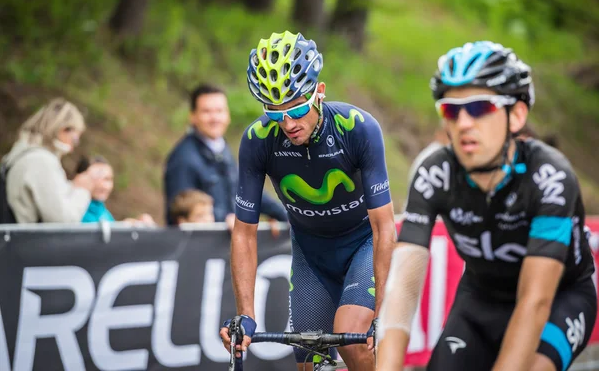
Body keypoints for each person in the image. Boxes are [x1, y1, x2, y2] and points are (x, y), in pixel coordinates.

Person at [377, 41, 597, 371]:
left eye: (480, 107)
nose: (464, 122)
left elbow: (535, 301)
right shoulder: (434, 173)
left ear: (517, 114)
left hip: (559, 299)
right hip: (480, 297)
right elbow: (401, 294)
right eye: (451, 110)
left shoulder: (549, 177)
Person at [219, 31, 397, 371]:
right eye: (274, 112)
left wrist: (383, 309)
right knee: (309, 364)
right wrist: (245, 313)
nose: (288, 123)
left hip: (363, 246)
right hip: (311, 256)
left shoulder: (357, 128)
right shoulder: (258, 140)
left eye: (297, 108)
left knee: (350, 338)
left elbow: (384, 225)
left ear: (319, 92)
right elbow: (243, 233)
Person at [164, 84, 288, 232]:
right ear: (193, 117)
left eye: (219, 111)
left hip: (228, 245)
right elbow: (179, 213)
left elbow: (248, 191)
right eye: (206, 111)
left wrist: (285, 216)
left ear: (227, 115)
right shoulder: (183, 159)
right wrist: (227, 219)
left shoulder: (223, 151)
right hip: (203, 250)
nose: (214, 118)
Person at [1, 98, 100, 223]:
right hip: (28, 241)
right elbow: (63, 221)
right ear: (63, 129)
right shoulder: (41, 161)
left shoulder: (22, 154)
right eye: (75, 138)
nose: (74, 146)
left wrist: (71, 187)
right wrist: (82, 190)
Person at [77, 155, 156, 225]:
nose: (104, 185)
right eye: (97, 177)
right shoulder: (75, 209)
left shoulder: (103, 212)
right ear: (81, 177)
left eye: (108, 179)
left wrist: (133, 223)